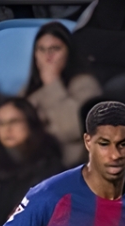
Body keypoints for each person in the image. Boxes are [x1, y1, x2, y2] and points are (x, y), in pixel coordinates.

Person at [0, 98, 64, 226]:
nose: (7, 129)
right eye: (0, 123)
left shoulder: (49, 163)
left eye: (14, 121)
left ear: (30, 122)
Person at [23, 22, 102, 166]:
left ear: (69, 52)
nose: (48, 56)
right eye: (42, 49)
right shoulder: (26, 90)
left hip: (70, 167)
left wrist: (52, 83)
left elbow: (73, 128)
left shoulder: (86, 84)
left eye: (55, 49)